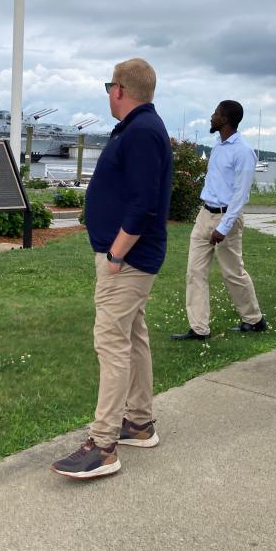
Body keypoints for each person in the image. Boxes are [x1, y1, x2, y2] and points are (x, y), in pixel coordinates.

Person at [52, 58, 173, 479]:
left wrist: (117, 254)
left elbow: (143, 202)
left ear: (119, 89)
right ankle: (138, 422)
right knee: (133, 336)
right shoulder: (143, 128)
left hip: (128, 260)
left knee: (111, 343)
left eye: (109, 86)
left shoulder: (141, 131)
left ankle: (103, 445)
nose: (108, 93)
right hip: (132, 257)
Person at [171, 99, 266, 341]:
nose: (211, 117)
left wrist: (223, 227)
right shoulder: (218, 146)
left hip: (227, 219)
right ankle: (199, 328)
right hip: (205, 215)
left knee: (232, 273)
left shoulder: (243, 151)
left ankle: (254, 319)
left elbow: (240, 194)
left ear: (225, 119)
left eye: (215, 113)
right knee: (194, 272)